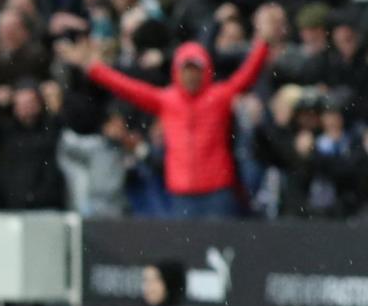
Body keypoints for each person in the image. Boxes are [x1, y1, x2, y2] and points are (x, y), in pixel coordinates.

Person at [81, 13, 273, 219]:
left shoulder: (218, 96)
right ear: (177, 71)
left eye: (196, 69)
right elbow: (129, 89)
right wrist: (96, 70)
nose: (191, 75)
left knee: (219, 248)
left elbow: (246, 75)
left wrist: (264, 43)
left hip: (217, 189)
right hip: (182, 191)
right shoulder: (167, 100)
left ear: (205, 70)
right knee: (187, 249)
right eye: (186, 69)